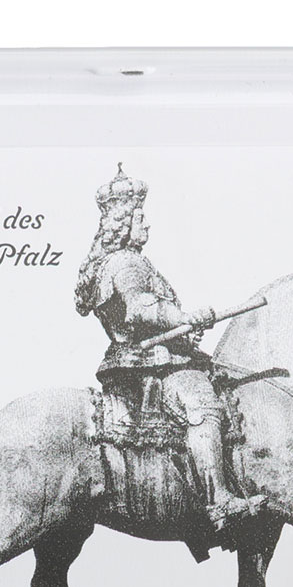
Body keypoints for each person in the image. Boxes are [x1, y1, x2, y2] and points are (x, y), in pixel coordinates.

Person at [73, 167, 256, 529]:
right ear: (124, 223)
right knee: (203, 407)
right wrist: (185, 317)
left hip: (151, 358)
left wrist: (184, 336)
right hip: (149, 365)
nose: (147, 225)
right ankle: (219, 500)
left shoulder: (121, 262)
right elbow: (139, 307)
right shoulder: (126, 262)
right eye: (141, 218)